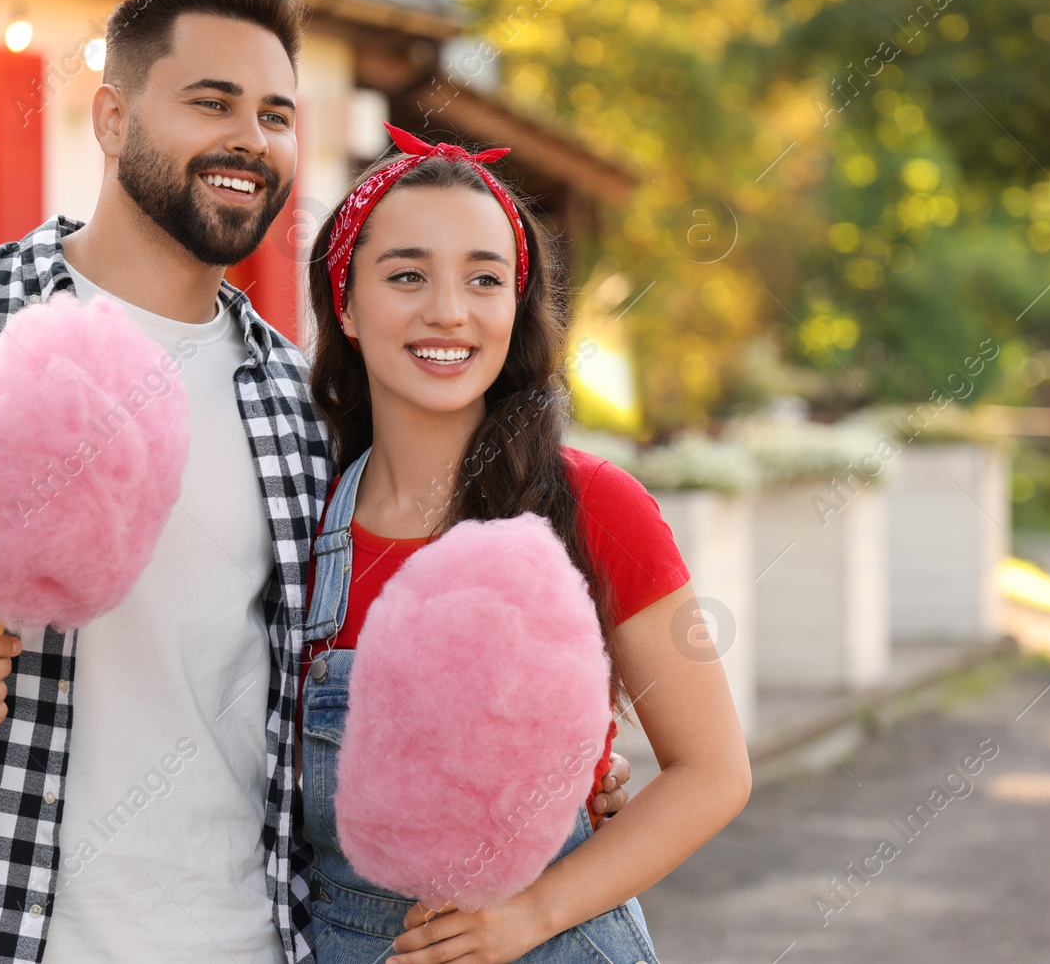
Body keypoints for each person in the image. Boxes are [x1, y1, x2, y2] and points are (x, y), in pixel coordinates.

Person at [0, 0, 630, 964]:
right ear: (111, 118)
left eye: (277, 115)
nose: (251, 139)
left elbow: (356, 671)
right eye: (212, 101)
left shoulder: (308, 406)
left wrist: (545, 750)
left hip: (243, 937)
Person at [297, 125, 753, 964]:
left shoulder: (593, 507)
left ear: (517, 304)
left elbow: (713, 772)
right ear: (348, 305)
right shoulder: (297, 519)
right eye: (407, 275)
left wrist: (532, 911)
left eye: (484, 278)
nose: (448, 310)